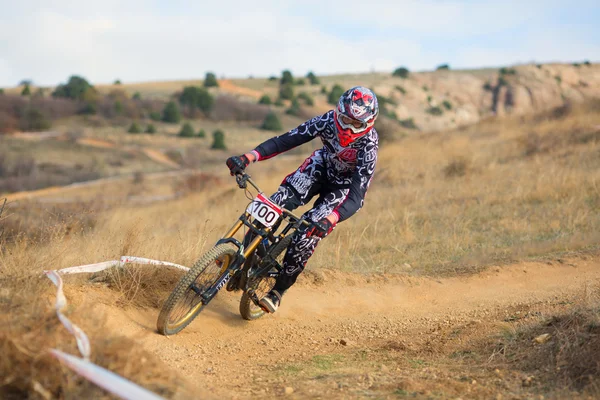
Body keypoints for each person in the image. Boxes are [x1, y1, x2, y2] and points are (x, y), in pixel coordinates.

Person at [226, 86, 379, 313]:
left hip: (342, 189)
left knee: (306, 235)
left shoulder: (368, 148)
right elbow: (287, 140)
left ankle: (278, 291)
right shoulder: (327, 120)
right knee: (275, 203)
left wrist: (332, 219)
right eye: (345, 119)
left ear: (368, 124)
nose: (348, 127)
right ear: (338, 112)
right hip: (320, 167)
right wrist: (248, 157)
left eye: (357, 124)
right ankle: (246, 255)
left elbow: (357, 197)